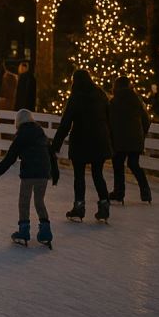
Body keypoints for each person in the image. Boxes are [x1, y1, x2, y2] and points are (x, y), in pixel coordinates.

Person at [0, 109, 59, 248]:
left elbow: (10, 158)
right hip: (44, 173)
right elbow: (51, 155)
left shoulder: (21, 135)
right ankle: (46, 232)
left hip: (29, 173)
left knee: (24, 202)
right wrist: (55, 174)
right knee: (39, 201)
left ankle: (24, 231)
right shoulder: (41, 132)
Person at [52, 69, 113, 223]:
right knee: (97, 174)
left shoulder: (76, 97)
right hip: (99, 141)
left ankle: (79, 206)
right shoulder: (101, 95)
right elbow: (109, 118)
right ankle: (104, 204)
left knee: (79, 176)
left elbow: (65, 124)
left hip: (81, 141)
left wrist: (55, 145)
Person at [109, 76, 152, 205]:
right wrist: (141, 133)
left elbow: (109, 121)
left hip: (119, 140)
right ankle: (145, 191)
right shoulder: (136, 99)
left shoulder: (114, 101)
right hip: (135, 139)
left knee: (118, 164)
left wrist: (111, 136)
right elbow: (146, 119)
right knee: (134, 164)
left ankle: (119, 192)